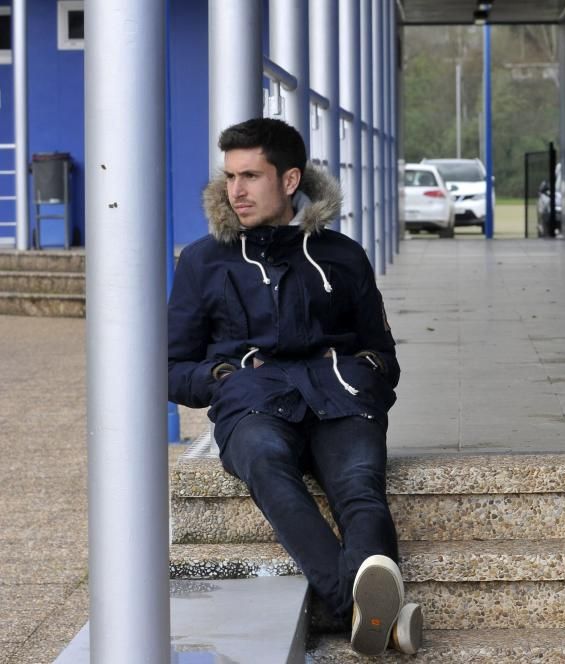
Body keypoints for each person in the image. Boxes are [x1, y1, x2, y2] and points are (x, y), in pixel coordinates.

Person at [167, 118, 421, 656]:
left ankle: (364, 613)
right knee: (265, 465)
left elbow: (383, 351)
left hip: (340, 398)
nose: (235, 190)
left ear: (289, 181)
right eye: (230, 176)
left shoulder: (341, 254)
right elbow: (172, 367)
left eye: (251, 176)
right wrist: (221, 378)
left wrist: (367, 377)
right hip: (253, 406)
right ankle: (361, 608)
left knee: (360, 487)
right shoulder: (202, 261)